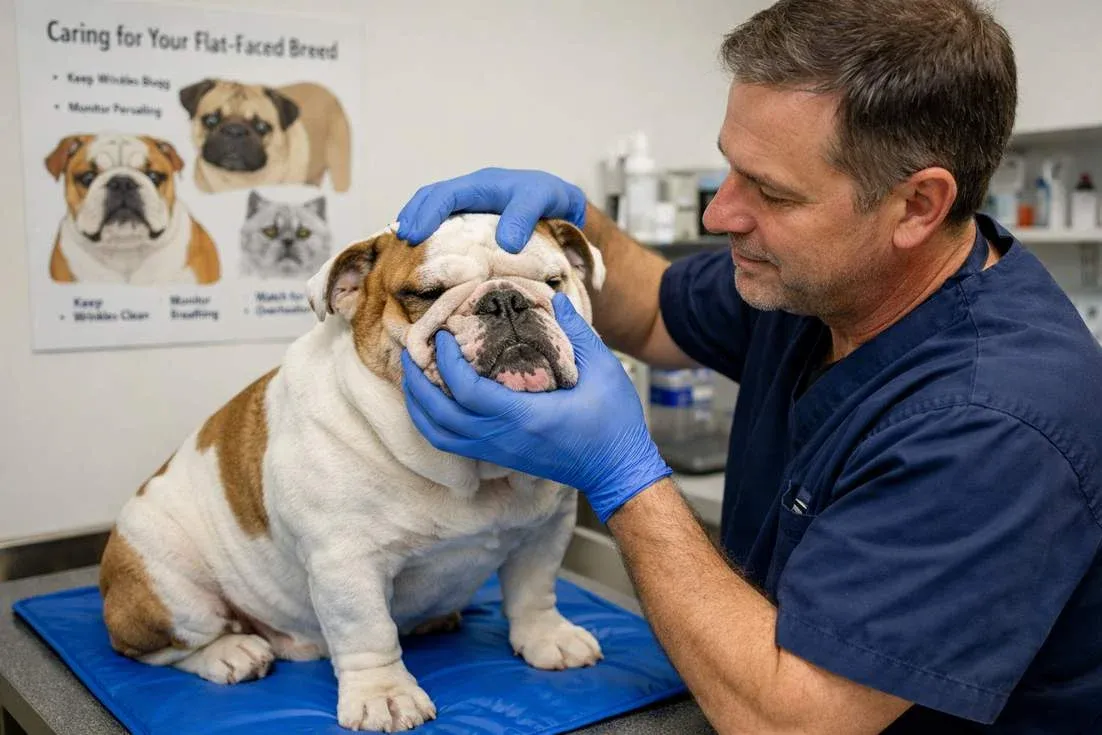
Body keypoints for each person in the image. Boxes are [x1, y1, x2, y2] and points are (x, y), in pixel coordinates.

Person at [396, 0, 1102, 732]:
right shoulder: (817, 281)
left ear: (917, 205)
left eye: (770, 191)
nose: (719, 214)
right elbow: (655, 309)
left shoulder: (994, 421)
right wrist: (569, 221)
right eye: (730, 168)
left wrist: (621, 472)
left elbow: (794, 721)